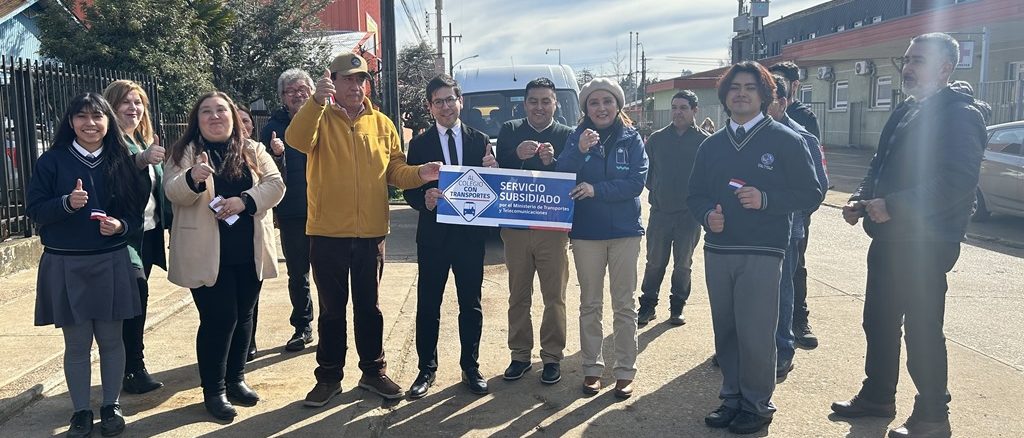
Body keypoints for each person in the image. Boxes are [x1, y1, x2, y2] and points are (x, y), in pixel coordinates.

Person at [831, 33, 988, 438]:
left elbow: (957, 181)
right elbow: (879, 164)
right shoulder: (907, 109)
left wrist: (896, 205)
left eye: (918, 60)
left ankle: (933, 416)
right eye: (907, 60)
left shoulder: (960, 115)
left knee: (922, 330)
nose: (908, 67)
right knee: (879, 321)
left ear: (945, 68)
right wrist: (861, 198)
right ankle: (877, 397)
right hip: (889, 237)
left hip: (927, 243)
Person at [285, 53, 441, 406]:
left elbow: (395, 171)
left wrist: (420, 173)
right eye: (348, 79)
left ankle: (373, 371)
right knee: (331, 310)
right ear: (333, 82)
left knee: (369, 307)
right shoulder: (318, 118)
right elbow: (296, 140)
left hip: (371, 233)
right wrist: (315, 101)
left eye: (361, 79)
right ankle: (328, 377)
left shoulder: (382, 123)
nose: (356, 86)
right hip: (327, 232)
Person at [687, 61, 821, 435]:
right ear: (724, 96)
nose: (742, 93)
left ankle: (757, 405)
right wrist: (706, 216)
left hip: (764, 250)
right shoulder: (711, 145)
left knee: (756, 332)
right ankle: (731, 397)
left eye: (750, 87)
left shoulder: (786, 140)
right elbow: (694, 194)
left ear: (765, 95)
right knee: (727, 330)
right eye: (735, 87)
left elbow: (812, 192)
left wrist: (766, 199)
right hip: (719, 250)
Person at [27, 93, 147, 438]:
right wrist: (66, 203)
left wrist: (120, 226)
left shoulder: (121, 161)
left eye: (97, 116)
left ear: (109, 121)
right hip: (66, 262)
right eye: (81, 116)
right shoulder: (52, 161)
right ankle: (80, 412)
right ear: (70, 122)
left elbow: (136, 216)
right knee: (77, 344)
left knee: (111, 339)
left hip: (111, 260)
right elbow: (35, 210)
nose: (90, 123)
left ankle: (111, 406)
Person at [164, 91, 285, 421]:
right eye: (206, 111)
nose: (215, 116)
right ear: (197, 119)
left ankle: (236, 380)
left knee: (244, 316)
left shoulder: (253, 150)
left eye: (221, 110)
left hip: (248, 250)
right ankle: (214, 390)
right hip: (205, 253)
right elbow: (172, 191)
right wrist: (192, 177)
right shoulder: (184, 152)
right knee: (219, 319)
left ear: (233, 116)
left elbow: (276, 185)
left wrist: (245, 200)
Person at [404, 74, 496, 399]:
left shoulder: (479, 140)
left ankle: (470, 367)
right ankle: (426, 370)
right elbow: (409, 188)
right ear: (430, 107)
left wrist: (494, 170)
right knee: (429, 305)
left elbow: (491, 190)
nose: (445, 107)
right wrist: (424, 199)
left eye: (450, 99)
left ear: (461, 101)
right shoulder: (418, 145)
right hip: (434, 238)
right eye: (438, 102)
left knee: (470, 305)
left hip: (470, 238)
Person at [555, 78, 648, 399]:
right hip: (587, 232)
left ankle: (624, 371)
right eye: (594, 102)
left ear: (618, 105)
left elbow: (636, 183)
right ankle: (592, 368)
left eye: (607, 101)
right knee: (590, 303)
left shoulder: (632, 139)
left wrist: (597, 190)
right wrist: (579, 151)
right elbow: (562, 175)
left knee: (624, 304)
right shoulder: (576, 137)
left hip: (625, 231)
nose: (601, 108)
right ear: (586, 108)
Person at [494, 77, 574, 384]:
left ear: (555, 104)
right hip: (515, 225)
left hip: (552, 228)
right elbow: (498, 171)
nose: (539, 107)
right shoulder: (510, 130)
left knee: (554, 295)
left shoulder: (567, 134)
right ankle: (520, 355)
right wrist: (517, 155)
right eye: (533, 101)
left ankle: (552, 356)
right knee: (518, 294)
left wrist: (553, 162)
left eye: (545, 101)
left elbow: (573, 175)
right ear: (524, 104)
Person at [101, 80, 168, 395]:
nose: (133, 108)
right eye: (126, 102)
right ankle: (133, 368)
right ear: (111, 107)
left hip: (148, 234)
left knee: (137, 300)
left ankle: (131, 365)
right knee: (135, 296)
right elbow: (111, 176)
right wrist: (140, 160)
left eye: (138, 102)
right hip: (122, 236)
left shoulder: (142, 140)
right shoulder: (109, 143)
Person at [766, 74, 828, 381]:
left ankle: (782, 351)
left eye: (766, 99)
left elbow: (817, 190)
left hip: (785, 232)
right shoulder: (748, 134)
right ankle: (745, 348)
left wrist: (788, 212)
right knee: (749, 293)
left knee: (781, 292)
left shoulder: (802, 138)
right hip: (747, 231)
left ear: (783, 102)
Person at [636, 90, 708, 327]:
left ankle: (677, 306)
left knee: (683, 264)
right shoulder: (657, 139)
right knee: (655, 262)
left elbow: (710, 177)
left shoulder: (704, 142)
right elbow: (646, 174)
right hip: (661, 213)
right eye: (674, 107)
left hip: (689, 215)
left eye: (683, 108)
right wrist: (658, 191)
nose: (678, 112)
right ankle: (648, 305)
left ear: (695, 111)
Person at [261, 68, 316, 355]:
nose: (297, 94)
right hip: (292, 211)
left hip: (326, 209)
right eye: (290, 91)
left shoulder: (325, 119)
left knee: (329, 273)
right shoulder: (272, 127)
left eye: (302, 89)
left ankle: (332, 325)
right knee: (298, 273)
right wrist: (276, 154)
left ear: (312, 91)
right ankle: (302, 326)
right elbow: (263, 171)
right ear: (282, 97)